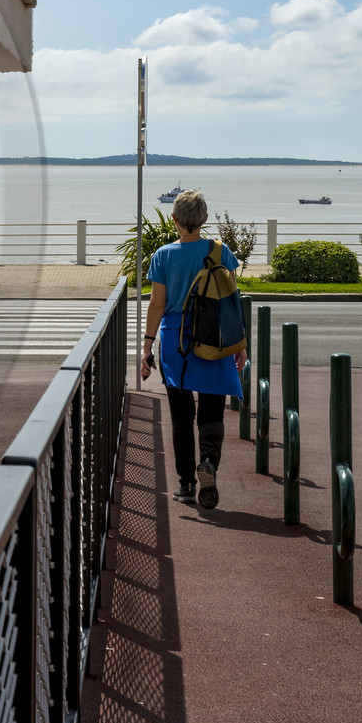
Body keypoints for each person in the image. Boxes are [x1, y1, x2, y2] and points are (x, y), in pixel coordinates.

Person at [139, 190, 248, 509]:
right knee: (212, 412)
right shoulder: (220, 251)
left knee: (181, 416)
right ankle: (209, 464)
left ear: (174, 219)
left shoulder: (163, 256)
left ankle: (186, 483)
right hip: (214, 337)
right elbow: (230, 299)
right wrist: (238, 342)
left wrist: (147, 348)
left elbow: (157, 304)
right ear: (204, 219)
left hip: (176, 343)